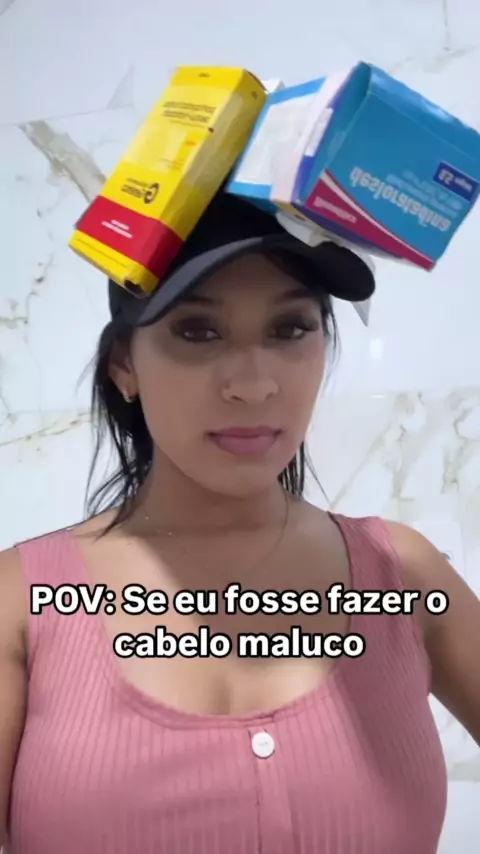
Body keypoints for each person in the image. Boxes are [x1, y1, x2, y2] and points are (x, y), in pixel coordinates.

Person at [0, 191, 479, 854]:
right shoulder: (21, 602)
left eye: (290, 329)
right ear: (124, 364)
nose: (254, 385)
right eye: (198, 332)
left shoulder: (403, 573)